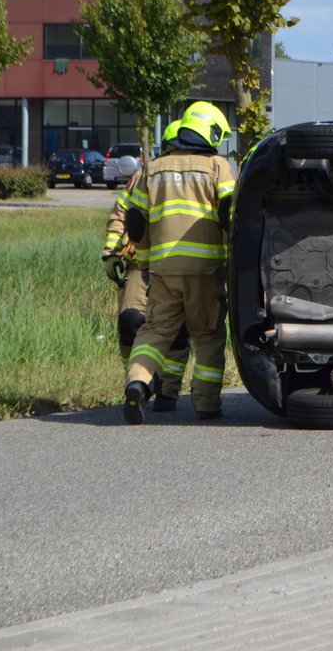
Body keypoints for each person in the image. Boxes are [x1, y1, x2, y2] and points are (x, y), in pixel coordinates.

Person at [121, 102, 235, 424]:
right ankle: (207, 404)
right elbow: (231, 217)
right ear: (211, 132)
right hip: (206, 273)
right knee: (209, 336)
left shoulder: (152, 169)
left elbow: (136, 223)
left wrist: (144, 263)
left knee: (155, 332)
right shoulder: (217, 167)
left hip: (163, 272)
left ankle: (137, 383)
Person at [101, 120, 186, 411]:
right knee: (130, 322)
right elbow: (122, 211)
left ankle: (168, 391)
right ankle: (136, 383)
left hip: (177, 266)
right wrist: (111, 251)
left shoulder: (201, 175)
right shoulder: (146, 174)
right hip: (140, 263)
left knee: (178, 330)